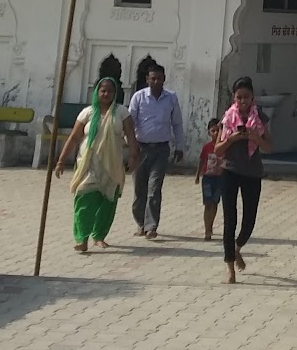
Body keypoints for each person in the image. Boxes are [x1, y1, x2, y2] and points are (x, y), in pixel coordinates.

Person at [54, 77, 138, 253]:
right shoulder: (88, 112)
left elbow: (130, 135)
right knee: (84, 198)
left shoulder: (122, 112)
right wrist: (61, 160)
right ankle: (82, 238)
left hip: (113, 164)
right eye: (103, 90)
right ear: (97, 92)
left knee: (108, 201)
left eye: (110, 91)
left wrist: (132, 155)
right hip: (89, 163)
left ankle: (99, 235)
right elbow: (75, 137)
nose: (106, 94)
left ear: (115, 94)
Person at [219, 76, 272, 283]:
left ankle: (237, 247)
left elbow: (269, 147)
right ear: (234, 97)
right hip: (230, 171)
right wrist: (231, 138)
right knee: (229, 220)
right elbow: (218, 149)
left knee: (249, 220)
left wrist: (254, 136)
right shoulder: (228, 118)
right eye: (239, 97)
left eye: (246, 97)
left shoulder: (260, 118)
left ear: (252, 98)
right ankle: (230, 269)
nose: (242, 101)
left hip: (252, 172)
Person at [126, 64, 186, 240]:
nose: (156, 81)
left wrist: (180, 147)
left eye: (159, 78)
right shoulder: (138, 97)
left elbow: (177, 124)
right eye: (153, 78)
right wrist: (131, 147)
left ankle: (152, 226)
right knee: (139, 189)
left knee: (154, 188)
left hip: (161, 149)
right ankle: (141, 223)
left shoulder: (171, 98)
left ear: (164, 79)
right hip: (141, 149)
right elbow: (130, 123)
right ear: (147, 79)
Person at [193, 117, 224, 239]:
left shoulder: (224, 146)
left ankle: (210, 226)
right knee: (208, 203)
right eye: (213, 131)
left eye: (218, 130)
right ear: (209, 132)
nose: (215, 133)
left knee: (215, 203)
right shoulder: (206, 147)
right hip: (207, 178)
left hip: (220, 179)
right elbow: (202, 161)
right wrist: (197, 175)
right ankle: (207, 230)